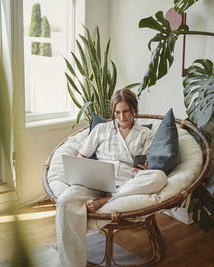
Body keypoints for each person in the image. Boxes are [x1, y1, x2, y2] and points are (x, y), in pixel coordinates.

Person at [55, 88, 168, 267]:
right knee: (64, 202)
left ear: (133, 110)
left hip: (125, 183)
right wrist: (79, 168)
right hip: (95, 180)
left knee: (159, 177)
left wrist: (147, 168)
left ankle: (107, 200)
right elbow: (82, 156)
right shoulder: (101, 129)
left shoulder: (146, 134)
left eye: (125, 111)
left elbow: (149, 164)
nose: (121, 117)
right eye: (117, 112)